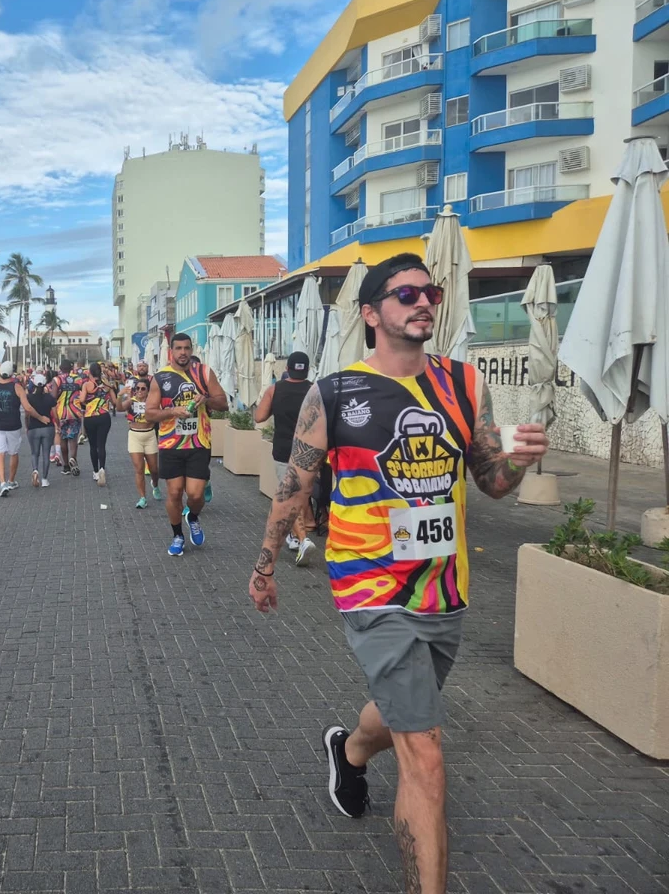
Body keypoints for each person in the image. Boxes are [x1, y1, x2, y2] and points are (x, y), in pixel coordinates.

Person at [246, 254, 549, 894]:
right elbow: (292, 486)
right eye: (405, 293)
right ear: (370, 313)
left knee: (403, 714)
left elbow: (491, 482)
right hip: (368, 586)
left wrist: (518, 462)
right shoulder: (335, 393)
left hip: (444, 588)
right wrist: (266, 563)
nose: (423, 303)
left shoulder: (466, 386)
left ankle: (350, 750)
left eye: (430, 293)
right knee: (427, 757)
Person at [144, 333, 228, 556]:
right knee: (174, 493)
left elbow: (223, 403)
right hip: (170, 444)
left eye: (187, 348)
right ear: (171, 351)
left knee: (196, 495)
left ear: (191, 350)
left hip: (199, 443)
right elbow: (149, 414)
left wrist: (206, 400)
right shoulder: (160, 378)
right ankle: (178, 536)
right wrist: (172, 411)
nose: (183, 352)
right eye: (179, 348)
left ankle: (192, 516)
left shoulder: (204, 372)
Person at [254, 351, 318, 567]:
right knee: (300, 494)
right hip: (310, 451)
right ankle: (295, 536)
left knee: (290, 497)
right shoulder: (314, 390)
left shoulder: (275, 389)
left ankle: (303, 540)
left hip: (283, 450)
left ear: (287, 369)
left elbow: (259, 416)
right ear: (307, 370)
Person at [0, 361, 39, 497]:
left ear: (0, 372)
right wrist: (41, 418)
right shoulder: (17, 387)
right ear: (12, 374)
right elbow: (27, 408)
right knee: (13, 452)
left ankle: (2, 483)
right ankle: (11, 480)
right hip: (13, 425)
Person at [118, 377, 160, 507]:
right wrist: (120, 396)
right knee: (139, 469)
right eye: (137, 389)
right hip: (135, 436)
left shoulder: (152, 403)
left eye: (143, 389)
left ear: (148, 391)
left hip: (150, 435)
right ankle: (142, 498)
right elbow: (119, 408)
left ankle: (155, 485)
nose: (140, 391)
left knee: (154, 468)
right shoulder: (131, 401)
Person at [77, 361, 116, 487]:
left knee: (93, 446)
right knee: (102, 445)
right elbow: (114, 401)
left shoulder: (87, 385)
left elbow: (82, 400)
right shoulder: (107, 385)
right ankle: (102, 469)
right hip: (104, 417)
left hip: (90, 417)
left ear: (90, 372)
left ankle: (95, 471)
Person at [49, 359, 83, 476]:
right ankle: (73, 458)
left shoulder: (57, 380)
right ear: (71, 368)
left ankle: (66, 466)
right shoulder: (78, 379)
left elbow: (53, 397)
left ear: (60, 368)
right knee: (73, 438)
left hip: (61, 413)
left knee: (63, 438)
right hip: (75, 412)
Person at [26, 373, 56, 488]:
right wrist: (57, 424)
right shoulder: (49, 398)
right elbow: (55, 414)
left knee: (34, 453)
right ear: (44, 385)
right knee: (46, 454)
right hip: (48, 428)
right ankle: (44, 479)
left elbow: (27, 415)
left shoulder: (29, 398)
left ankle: (35, 470)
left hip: (33, 428)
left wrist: (27, 427)